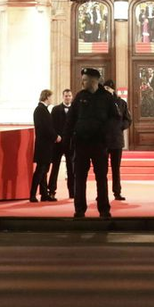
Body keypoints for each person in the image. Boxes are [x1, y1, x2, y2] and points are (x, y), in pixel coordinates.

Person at [62, 67, 119, 219]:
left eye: (85, 80)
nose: (82, 82)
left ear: (94, 81)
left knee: (101, 178)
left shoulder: (107, 97)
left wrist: (105, 134)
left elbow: (115, 119)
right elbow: (70, 120)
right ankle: (79, 209)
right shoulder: (80, 97)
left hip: (99, 144)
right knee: (80, 177)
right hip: (81, 144)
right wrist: (66, 141)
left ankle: (104, 209)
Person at [104, 79, 131, 202]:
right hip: (103, 140)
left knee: (116, 169)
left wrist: (120, 127)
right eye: (104, 88)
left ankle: (117, 192)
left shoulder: (121, 103)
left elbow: (128, 119)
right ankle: (102, 193)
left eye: (108, 89)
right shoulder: (100, 102)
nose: (106, 91)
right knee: (102, 169)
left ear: (113, 89)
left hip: (116, 140)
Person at [31, 89, 57, 203]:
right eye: (51, 97)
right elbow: (45, 128)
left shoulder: (43, 109)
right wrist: (55, 136)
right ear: (47, 97)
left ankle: (44, 194)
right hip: (43, 145)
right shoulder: (40, 110)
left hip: (46, 145)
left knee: (44, 170)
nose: (52, 99)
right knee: (40, 170)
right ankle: (32, 194)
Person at [48, 89, 74, 200]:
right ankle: (51, 191)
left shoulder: (75, 109)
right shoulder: (55, 109)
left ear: (72, 97)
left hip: (70, 143)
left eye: (69, 96)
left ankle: (72, 192)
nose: (67, 97)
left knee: (71, 168)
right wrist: (55, 137)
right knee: (55, 168)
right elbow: (51, 125)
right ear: (63, 97)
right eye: (66, 96)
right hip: (58, 143)